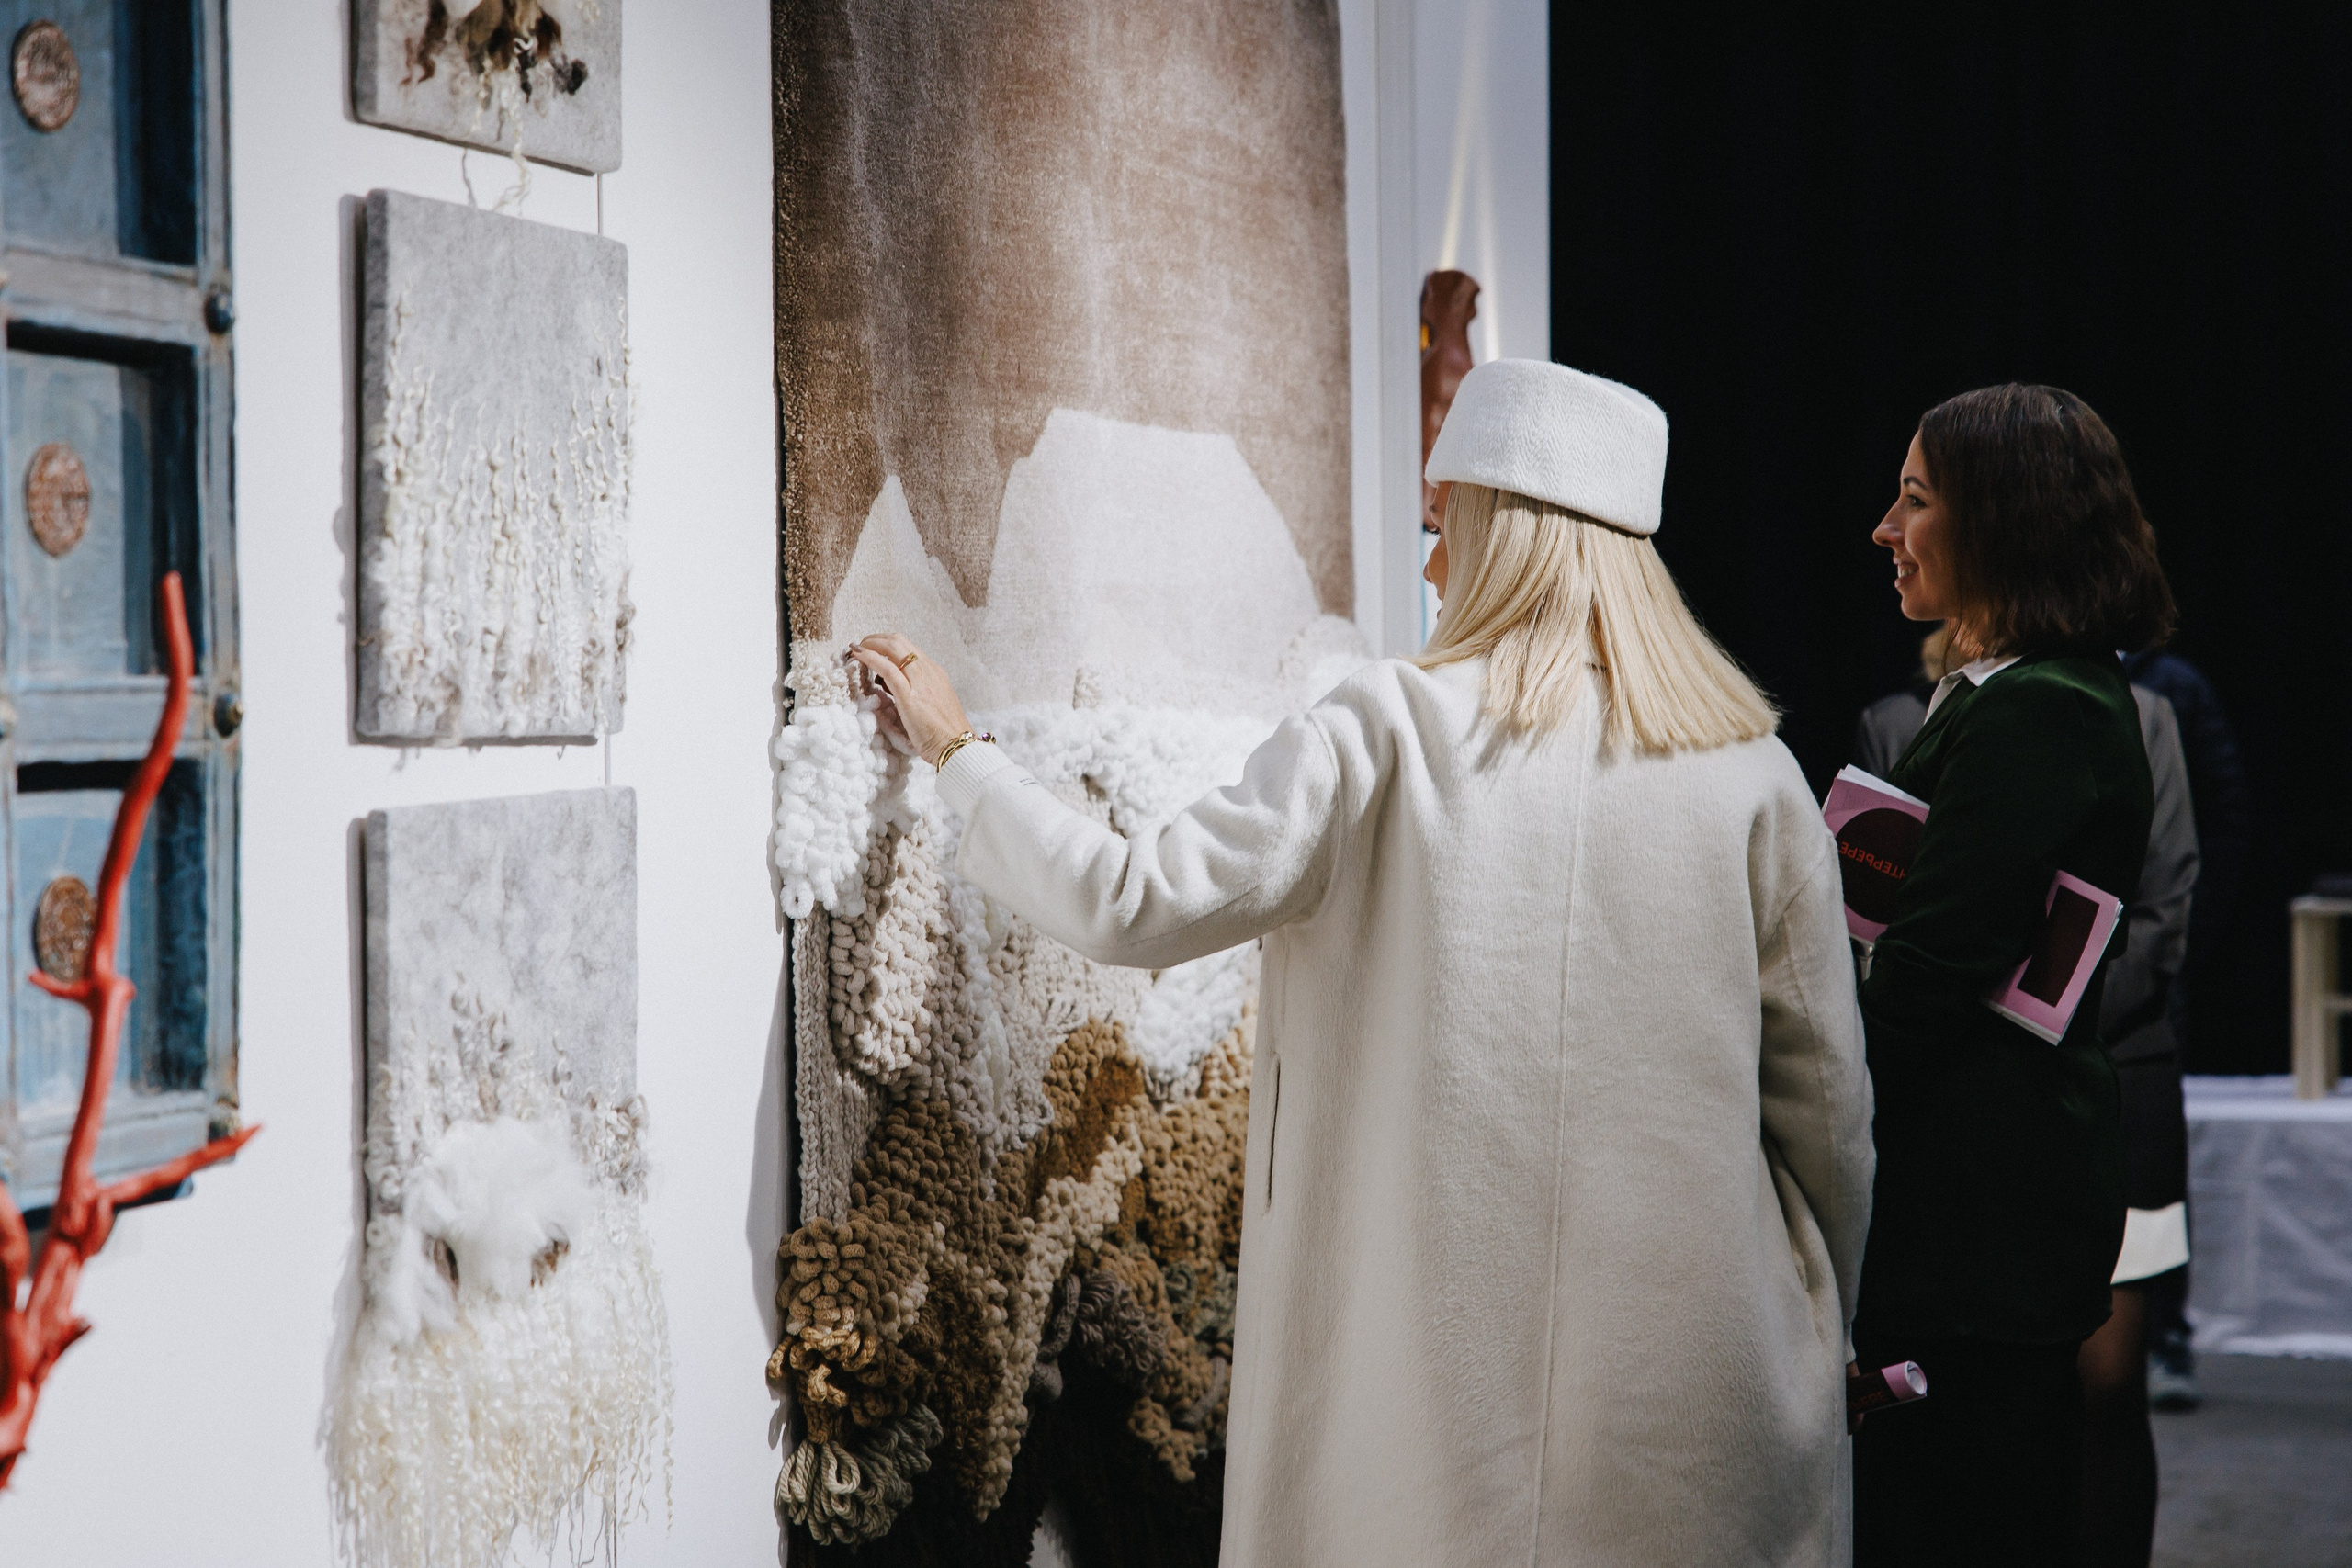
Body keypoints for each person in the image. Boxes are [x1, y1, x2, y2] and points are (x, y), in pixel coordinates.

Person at [852, 359, 1875, 1567]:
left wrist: (958, 748)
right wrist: (1831, 1315)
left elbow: (1134, 902)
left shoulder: (1384, 730)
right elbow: (1828, 1119)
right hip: (1699, 1402)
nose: (1434, 563)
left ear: (1511, 537)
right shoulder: (1751, 776)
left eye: (1447, 527)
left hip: (1428, 1414)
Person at [1853, 384, 2176, 1566]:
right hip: (1976, 1204)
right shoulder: (2014, 696)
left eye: (1915, 499)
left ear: (2004, 521)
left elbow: (1925, 981)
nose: (1885, 530)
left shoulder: (2041, 710)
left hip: (1976, 1221)